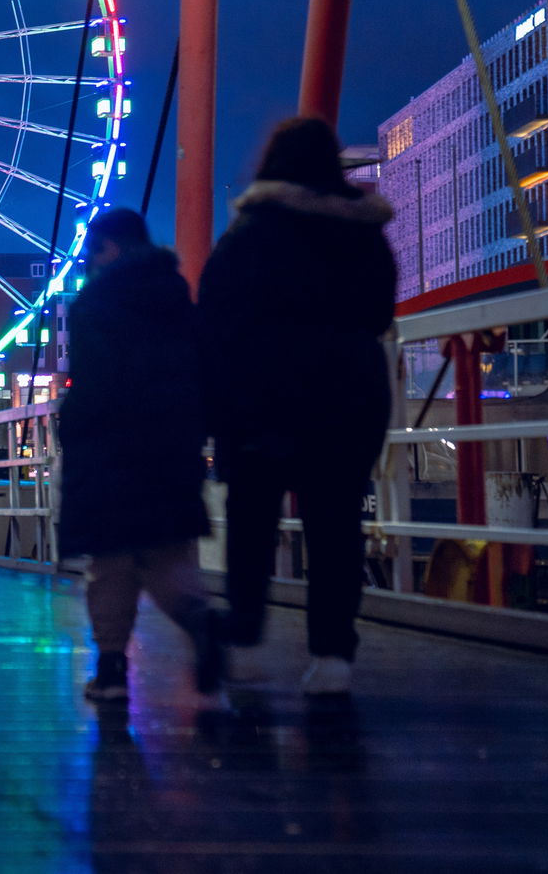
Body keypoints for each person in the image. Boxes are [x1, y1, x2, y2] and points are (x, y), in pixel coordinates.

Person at [199, 116, 397, 697]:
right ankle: (333, 656)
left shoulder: (252, 234)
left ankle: (245, 639)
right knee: (336, 525)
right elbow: (380, 312)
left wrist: (215, 404)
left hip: (265, 394)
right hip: (351, 394)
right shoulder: (365, 232)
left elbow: (214, 318)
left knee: (253, 521)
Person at [59, 207, 219, 705]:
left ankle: (110, 670)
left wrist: (73, 432)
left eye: (93, 251)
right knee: (168, 556)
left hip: (109, 451)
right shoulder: (178, 298)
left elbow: (91, 384)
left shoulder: (95, 305)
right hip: (171, 448)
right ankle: (203, 621)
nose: (87, 262)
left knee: (110, 565)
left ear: (110, 248)